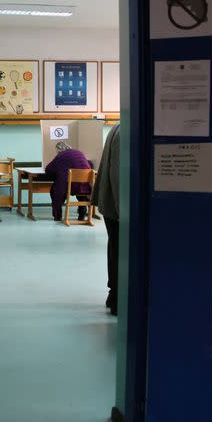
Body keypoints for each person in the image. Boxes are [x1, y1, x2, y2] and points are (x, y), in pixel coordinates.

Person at [91, 123, 120, 315]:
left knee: (115, 250)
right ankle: (118, 298)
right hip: (118, 205)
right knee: (120, 252)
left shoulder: (117, 127)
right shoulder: (128, 131)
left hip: (110, 201)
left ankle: (114, 295)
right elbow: (118, 174)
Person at [45, 141, 93, 221]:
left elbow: (48, 169)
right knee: (81, 191)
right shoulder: (79, 153)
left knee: (55, 190)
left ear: (58, 150)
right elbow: (89, 164)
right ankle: (82, 214)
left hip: (68, 185)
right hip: (84, 186)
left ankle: (58, 216)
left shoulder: (60, 156)